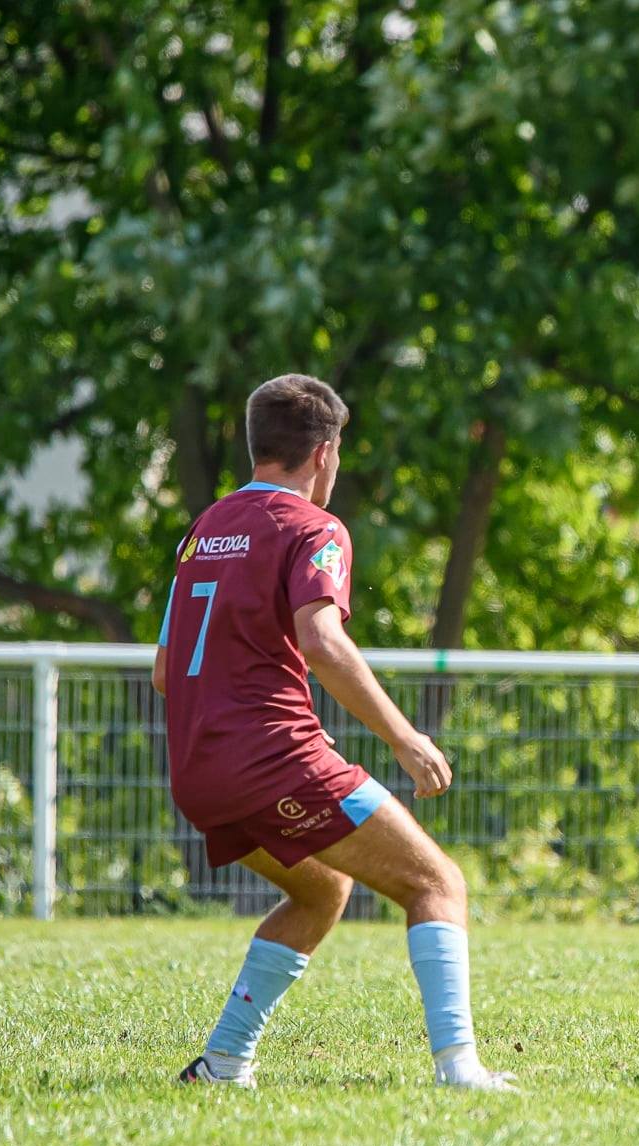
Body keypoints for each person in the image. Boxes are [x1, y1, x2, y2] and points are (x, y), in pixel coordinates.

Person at [155, 374, 514, 1091]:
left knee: (322, 893)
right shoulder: (313, 528)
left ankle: (224, 1063)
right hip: (273, 759)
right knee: (436, 883)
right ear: (324, 453)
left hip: (197, 770)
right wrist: (405, 738)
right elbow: (321, 641)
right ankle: (459, 1068)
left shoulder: (206, 529)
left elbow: (166, 670)